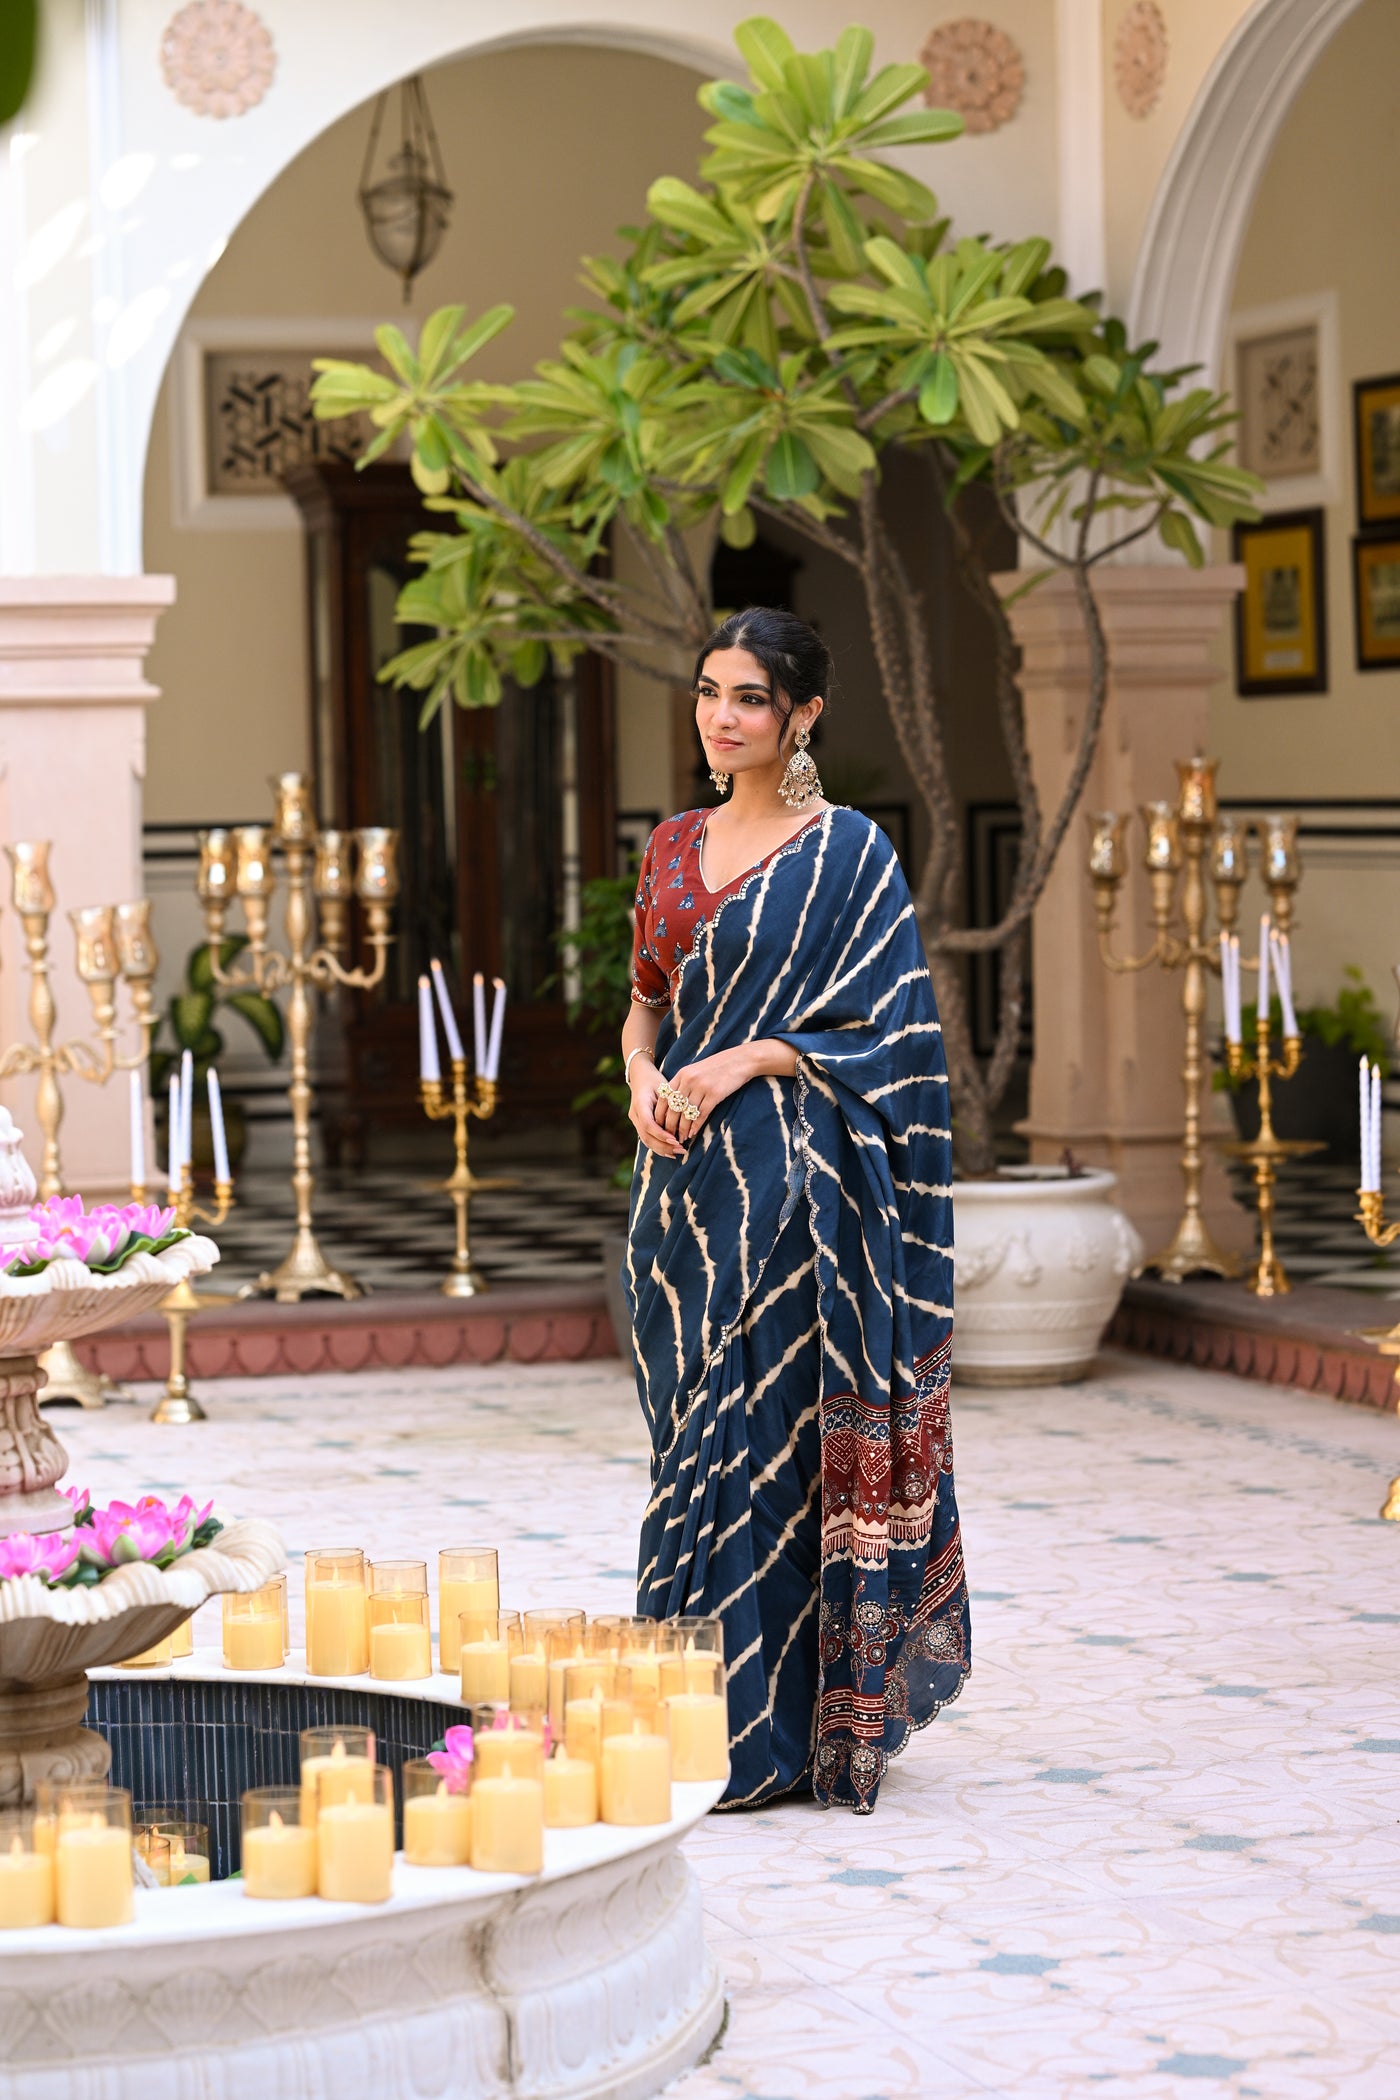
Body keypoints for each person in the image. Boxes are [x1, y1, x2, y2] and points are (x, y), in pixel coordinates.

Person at [621, 606, 970, 1814]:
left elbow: (898, 1037)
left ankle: (760, 1742)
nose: (722, 715)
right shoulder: (670, 847)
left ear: (802, 715)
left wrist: (748, 1060)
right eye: (710, 691)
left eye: (750, 698)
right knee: (686, 1453)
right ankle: (680, 1721)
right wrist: (639, 1079)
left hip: (791, 1188)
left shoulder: (848, 853)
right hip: (674, 1198)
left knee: (758, 1452)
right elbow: (646, 1002)